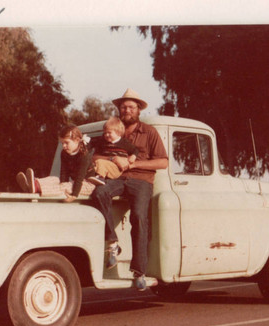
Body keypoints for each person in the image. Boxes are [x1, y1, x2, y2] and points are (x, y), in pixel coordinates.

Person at [91, 88, 168, 291]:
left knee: (140, 217)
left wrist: (132, 164)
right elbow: (94, 157)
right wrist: (112, 159)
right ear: (119, 109)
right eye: (123, 106)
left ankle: (139, 271)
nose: (127, 110)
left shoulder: (149, 132)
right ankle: (113, 242)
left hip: (141, 181)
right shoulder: (111, 131)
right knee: (99, 193)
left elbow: (162, 162)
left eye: (131, 107)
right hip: (116, 177)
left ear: (138, 110)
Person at [16, 125, 97, 202]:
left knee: (66, 186)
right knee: (55, 179)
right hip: (75, 183)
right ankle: (35, 184)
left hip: (88, 185)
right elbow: (64, 172)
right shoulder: (64, 153)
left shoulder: (84, 156)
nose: (64, 146)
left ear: (77, 141)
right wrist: (62, 182)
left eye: (66, 142)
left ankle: (37, 188)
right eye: (62, 143)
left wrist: (74, 195)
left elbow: (79, 177)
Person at [88, 116, 139, 186]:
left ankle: (101, 178)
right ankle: (91, 177)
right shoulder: (104, 143)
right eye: (105, 133)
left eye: (109, 133)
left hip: (117, 169)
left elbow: (135, 150)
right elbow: (95, 153)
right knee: (95, 164)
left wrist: (133, 156)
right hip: (106, 166)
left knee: (100, 162)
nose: (106, 135)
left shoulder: (124, 143)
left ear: (118, 133)